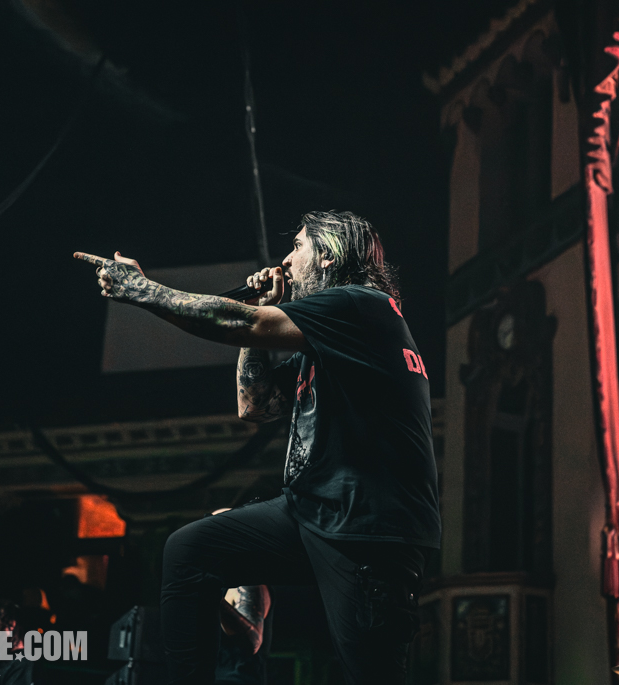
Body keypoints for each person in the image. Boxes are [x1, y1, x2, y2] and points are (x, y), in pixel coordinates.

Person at [75, 210, 441, 684]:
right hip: (313, 513)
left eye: (299, 246)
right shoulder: (332, 335)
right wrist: (260, 308)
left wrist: (141, 289)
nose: (287, 261)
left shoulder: (359, 305)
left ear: (328, 256)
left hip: (369, 532)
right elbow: (256, 404)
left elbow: (233, 319)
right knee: (191, 551)